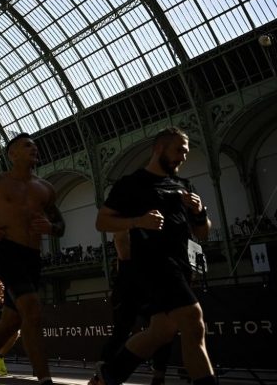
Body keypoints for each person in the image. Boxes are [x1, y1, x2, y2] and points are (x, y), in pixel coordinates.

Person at [93, 127, 215, 385]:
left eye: (186, 153)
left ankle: (106, 378)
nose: (183, 157)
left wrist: (200, 211)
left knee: (161, 331)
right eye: (179, 150)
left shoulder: (184, 185)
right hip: (153, 265)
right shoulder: (131, 184)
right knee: (193, 321)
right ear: (159, 148)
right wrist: (138, 221)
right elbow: (102, 222)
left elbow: (203, 233)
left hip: (181, 266)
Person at [0, 133, 65, 385]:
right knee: (32, 311)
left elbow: (60, 225)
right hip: (6, 250)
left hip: (32, 257)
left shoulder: (46, 188)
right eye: (27, 145)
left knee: (11, 320)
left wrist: (50, 227)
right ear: (12, 153)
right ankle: (45, 379)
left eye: (36, 146)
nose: (34, 149)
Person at [94, 231, 172, 385]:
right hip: (127, 287)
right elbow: (122, 246)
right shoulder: (129, 225)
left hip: (149, 284)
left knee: (162, 330)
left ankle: (158, 377)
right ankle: (101, 376)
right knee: (121, 333)